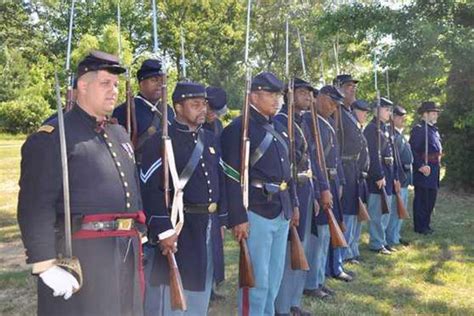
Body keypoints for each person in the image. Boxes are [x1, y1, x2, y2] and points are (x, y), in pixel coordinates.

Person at [17, 51, 145, 316]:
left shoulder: (118, 133)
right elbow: (34, 204)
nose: (113, 91)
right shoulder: (54, 136)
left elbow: (132, 183)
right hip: (84, 253)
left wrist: (139, 229)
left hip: (124, 248)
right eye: (105, 83)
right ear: (82, 86)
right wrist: (44, 263)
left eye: (116, 85)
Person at [140, 81, 227, 315]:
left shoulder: (209, 139)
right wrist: (163, 229)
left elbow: (220, 179)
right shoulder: (158, 142)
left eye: (204, 104)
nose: (202, 109)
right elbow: (150, 191)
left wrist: (222, 218)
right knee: (173, 299)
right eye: (195, 104)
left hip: (207, 225)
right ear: (178, 107)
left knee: (201, 292)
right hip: (180, 230)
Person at [220, 72, 298, 315]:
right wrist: (238, 217)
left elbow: (289, 171)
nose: (277, 100)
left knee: (274, 277)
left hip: (281, 208)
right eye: (270, 95)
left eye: (278, 95)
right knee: (256, 280)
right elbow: (231, 177)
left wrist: (293, 203)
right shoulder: (238, 129)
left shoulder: (278, 127)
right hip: (256, 210)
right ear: (253, 96)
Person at [274, 78, 315, 316]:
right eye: (302, 93)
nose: (308, 97)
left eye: (309, 93)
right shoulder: (282, 122)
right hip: (291, 189)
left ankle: (293, 300)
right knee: (290, 249)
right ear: (290, 95)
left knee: (302, 245)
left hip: (305, 188)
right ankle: (282, 305)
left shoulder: (302, 122)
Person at [303, 86, 344, 299]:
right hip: (320, 184)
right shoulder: (309, 122)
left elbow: (335, 156)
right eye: (331, 102)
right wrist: (321, 189)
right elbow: (312, 157)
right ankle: (311, 283)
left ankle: (319, 278)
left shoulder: (326, 123)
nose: (333, 107)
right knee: (317, 238)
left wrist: (340, 182)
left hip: (331, 182)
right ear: (320, 98)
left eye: (336, 104)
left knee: (325, 237)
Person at [113, 58, 175, 164]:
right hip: (138, 170)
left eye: (163, 80)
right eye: (154, 80)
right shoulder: (124, 110)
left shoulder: (168, 110)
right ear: (141, 83)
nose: (160, 84)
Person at [334, 74, 366, 266]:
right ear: (338, 88)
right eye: (348, 86)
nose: (352, 89)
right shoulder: (336, 112)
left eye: (353, 86)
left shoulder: (349, 112)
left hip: (353, 167)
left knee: (353, 210)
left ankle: (349, 250)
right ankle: (342, 253)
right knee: (345, 211)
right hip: (343, 166)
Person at [363, 97, 399, 255]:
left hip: (388, 175)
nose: (389, 112)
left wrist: (395, 176)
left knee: (386, 211)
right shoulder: (372, 129)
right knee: (378, 211)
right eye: (386, 109)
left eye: (390, 110)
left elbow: (392, 153)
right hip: (379, 176)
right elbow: (372, 154)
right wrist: (378, 175)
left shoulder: (385, 128)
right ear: (377, 110)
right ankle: (376, 243)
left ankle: (382, 240)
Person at [409, 101, 442, 235]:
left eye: (436, 113)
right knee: (422, 198)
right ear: (425, 114)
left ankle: (426, 224)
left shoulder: (433, 130)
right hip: (424, 169)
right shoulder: (419, 129)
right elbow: (412, 150)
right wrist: (420, 166)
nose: (436, 115)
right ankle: (420, 226)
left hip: (434, 168)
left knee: (431, 198)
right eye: (433, 113)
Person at [386, 105, 413, 246]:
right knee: (395, 212)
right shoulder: (392, 135)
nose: (403, 119)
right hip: (398, 177)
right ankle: (391, 238)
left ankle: (395, 235)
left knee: (400, 211)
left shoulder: (399, 134)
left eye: (404, 116)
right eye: (399, 116)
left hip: (405, 177)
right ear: (393, 117)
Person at [351, 100, 371, 261]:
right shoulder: (352, 126)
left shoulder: (359, 127)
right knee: (351, 218)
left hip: (361, 177)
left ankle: (354, 249)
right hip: (353, 175)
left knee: (358, 217)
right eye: (363, 111)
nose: (365, 114)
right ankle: (348, 253)